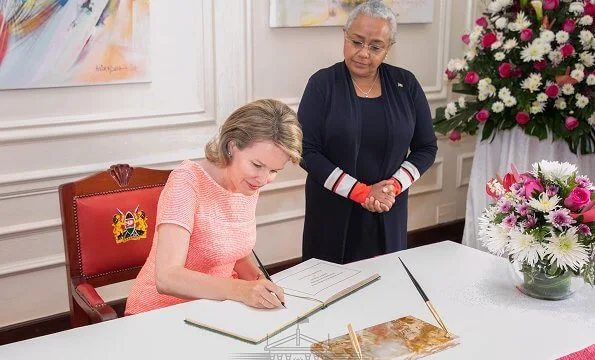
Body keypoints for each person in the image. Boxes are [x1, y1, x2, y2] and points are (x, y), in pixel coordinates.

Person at [125, 99, 303, 315]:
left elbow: (234, 251)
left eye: (275, 171)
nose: (264, 179)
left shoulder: (247, 183)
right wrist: (242, 290)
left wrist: (262, 285)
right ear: (232, 146)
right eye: (257, 165)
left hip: (212, 309)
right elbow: (167, 277)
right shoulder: (186, 182)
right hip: (160, 312)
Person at [299, 1, 437, 264]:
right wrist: (361, 192)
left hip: (388, 208)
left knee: (387, 284)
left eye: (375, 47)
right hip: (331, 212)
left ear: (389, 48)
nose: (364, 53)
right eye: (357, 42)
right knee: (330, 290)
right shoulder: (321, 84)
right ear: (345, 36)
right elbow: (306, 151)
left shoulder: (405, 84)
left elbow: (426, 147)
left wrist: (392, 187)